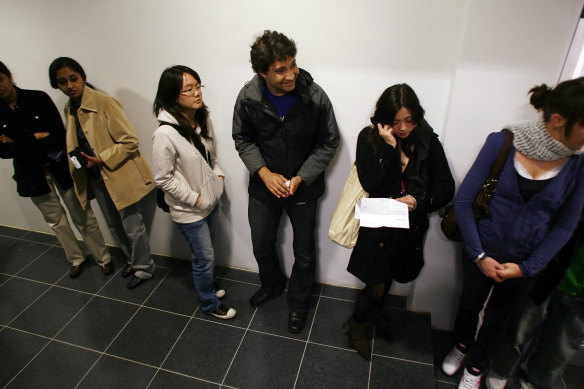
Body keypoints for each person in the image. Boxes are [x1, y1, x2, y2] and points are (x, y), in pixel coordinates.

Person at [441, 78, 584, 389]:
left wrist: (528, 267)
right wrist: (479, 255)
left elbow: (566, 224)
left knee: (499, 319)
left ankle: (476, 368)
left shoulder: (579, 164)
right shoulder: (503, 142)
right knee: (469, 304)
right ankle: (462, 345)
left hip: (526, 262)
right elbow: (464, 201)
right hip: (481, 249)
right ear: (559, 120)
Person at [232, 30, 339, 333]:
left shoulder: (314, 96)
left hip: (303, 187)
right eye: (281, 70)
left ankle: (299, 303)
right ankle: (272, 284)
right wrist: (264, 173)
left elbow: (330, 142)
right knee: (261, 241)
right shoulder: (248, 98)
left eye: (292, 64)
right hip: (264, 186)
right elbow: (242, 138)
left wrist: (303, 176)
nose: (291, 74)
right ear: (262, 71)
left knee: (304, 250)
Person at [344, 84, 455, 360]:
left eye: (410, 120)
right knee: (375, 281)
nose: (404, 128)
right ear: (384, 119)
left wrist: (419, 202)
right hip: (379, 224)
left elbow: (445, 187)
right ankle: (357, 323)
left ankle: (376, 312)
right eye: (396, 122)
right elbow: (371, 182)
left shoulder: (428, 142)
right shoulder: (369, 139)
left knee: (392, 274)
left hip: (410, 227)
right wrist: (390, 148)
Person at [48, 57, 155, 289]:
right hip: (96, 177)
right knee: (113, 225)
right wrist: (80, 163)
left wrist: (101, 158)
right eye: (62, 82)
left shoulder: (104, 102)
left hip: (118, 174)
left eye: (73, 78)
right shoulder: (69, 107)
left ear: (83, 76)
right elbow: (74, 142)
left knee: (132, 226)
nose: (69, 85)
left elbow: (130, 141)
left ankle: (144, 268)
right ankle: (131, 261)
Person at [0, 61, 112, 278]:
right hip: (31, 175)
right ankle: (77, 258)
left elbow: (57, 136)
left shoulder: (37, 98)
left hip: (60, 167)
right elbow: (3, 152)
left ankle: (103, 257)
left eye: (0, 80)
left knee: (83, 215)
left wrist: (17, 143)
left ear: (9, 76)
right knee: (56, 221)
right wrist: (34, 136)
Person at [152, 65, 236, 319]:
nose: (196, 93)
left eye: (198, 86)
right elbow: (162, 179)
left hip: (210, 200)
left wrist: (218, 178)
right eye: (188, 89)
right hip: (189, 209)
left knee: (208, 254)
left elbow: (210, 156)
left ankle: (208, 287)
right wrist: (195, 199)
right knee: (204, 258)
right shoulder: (164, 134)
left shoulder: (200, 119)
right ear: (172, 95)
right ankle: (209, 303)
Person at [485, 213, 584, 389]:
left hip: (578, 290)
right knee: (520, 326)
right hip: (547, 267)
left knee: (559, 346)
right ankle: (501, 371)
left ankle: (534, 383)